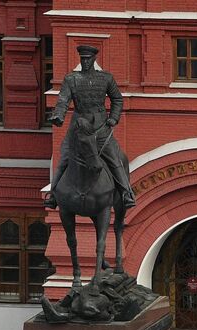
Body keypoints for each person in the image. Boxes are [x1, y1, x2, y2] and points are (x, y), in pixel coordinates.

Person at [44, 45, 135, 210]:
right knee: (64, 157)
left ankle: (126, 193)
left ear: (94, 59)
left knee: (114, 158)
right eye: (83, 59)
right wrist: (59, 116)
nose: (85, 62)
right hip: (78, 126)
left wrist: (113, 118)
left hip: (100, 127)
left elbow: (117, 99)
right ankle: (53, 195)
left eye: (88, 59)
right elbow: (63, 100)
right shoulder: (71, 79)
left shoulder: (105, 78)